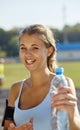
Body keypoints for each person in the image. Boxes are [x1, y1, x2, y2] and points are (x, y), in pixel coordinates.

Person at [2, 24, 80, 130]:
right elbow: (6, 127)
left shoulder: (62, 84)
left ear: (49, 51)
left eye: (35, 48)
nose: (28, 54)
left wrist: (72, 113)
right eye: (23, 48)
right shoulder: (15, 89)